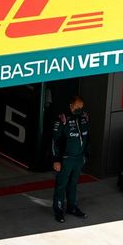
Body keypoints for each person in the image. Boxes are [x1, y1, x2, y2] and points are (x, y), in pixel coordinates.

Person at [50, 95, 90, 223]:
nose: (80, 110)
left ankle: (72, 207)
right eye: (77, 107)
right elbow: (54, 140)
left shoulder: (84, 117)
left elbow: (88, 138)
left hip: (79, 158)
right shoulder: (62, 119)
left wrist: (85, 155)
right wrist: (56, 159)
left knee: (73, 184)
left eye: (81, 107)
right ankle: (58, 210)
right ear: (71, 106)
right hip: (66, 158)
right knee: (61, 185)